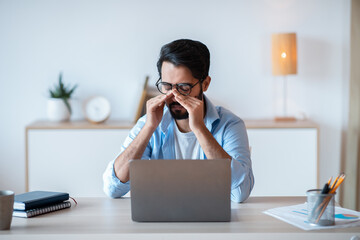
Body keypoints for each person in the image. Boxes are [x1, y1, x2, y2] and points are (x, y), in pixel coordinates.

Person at [103, 39, 254, 203]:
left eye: (183, 87)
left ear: (205, 84)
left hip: (212, 225)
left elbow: (239, 193)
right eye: (167, 86)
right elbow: (113, 188)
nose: (174, 96)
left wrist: (199, 129)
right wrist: (149, 128)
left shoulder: (230, 125)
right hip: (161, 221)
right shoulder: (150, 122)